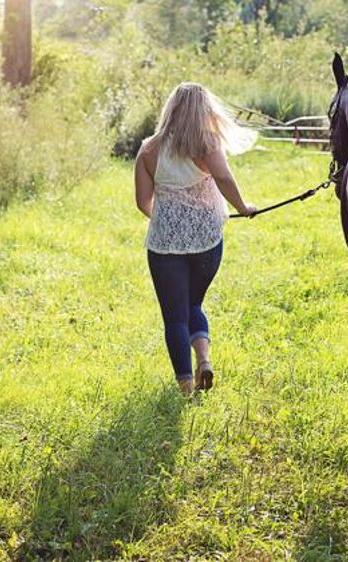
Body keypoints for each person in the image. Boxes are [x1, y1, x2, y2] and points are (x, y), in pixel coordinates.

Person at [134, 82, 257, 395]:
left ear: (170, 110)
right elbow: (224, 177)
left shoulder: (149, 149)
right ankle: (204, 360)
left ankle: (186, 387)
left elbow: (143, 202)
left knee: (174, 316)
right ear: (204, 111)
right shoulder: (207, 143)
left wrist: (169, 221)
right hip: (207, 241)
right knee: (194, 303)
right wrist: (243, 208)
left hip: (164, 246)